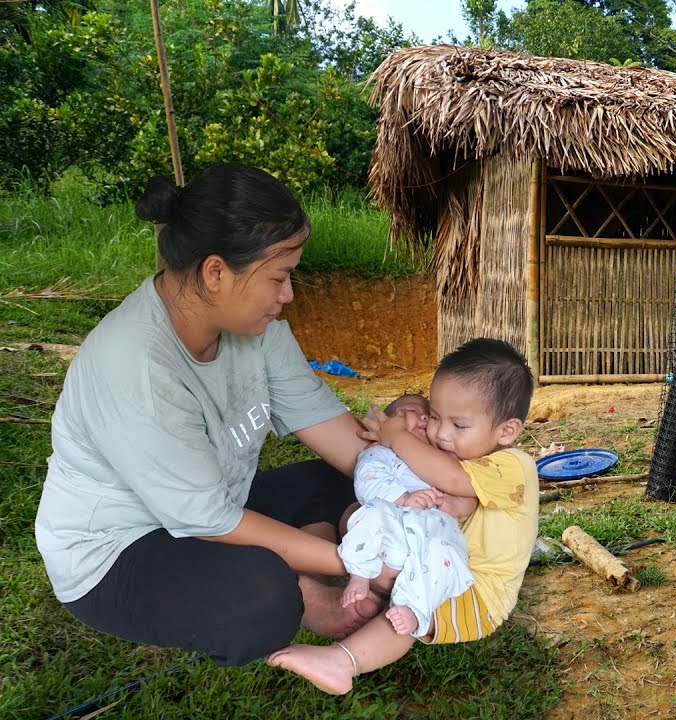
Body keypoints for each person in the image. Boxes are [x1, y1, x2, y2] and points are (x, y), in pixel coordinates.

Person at [34, 163, 374, 668]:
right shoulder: (136, 364)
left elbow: (330, 429)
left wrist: (420, 483)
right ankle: (303, 589)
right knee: (261, 599)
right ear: (216, 273)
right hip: (119, 549)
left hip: (214, 504)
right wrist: (361, 559)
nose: (288, 295)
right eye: (279, 277)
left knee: (360, 480)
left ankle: (308, 578)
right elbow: (209, 521)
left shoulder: (258, 328)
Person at [268, 337, 540, 695]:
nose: (441, 434)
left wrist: (397, 437)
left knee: (405, 616)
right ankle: (332, 593)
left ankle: (343, 660)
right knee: (365, 520)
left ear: (507, 430)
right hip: (448, 566)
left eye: (458, 425)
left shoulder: (513, 466)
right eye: (436, 417)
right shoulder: (472, 458)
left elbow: (450, 480)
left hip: (477, 594)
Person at [339, 393, 475, 638]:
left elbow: (469, 493)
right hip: (392, 530)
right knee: (370, 514)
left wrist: (455, 504)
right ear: (386, 426)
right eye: (410, 410)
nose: (424, 416)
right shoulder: (379, 453)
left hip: (432, 533)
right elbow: (369, 482)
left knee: (445, 554)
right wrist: (402, 499)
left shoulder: (442, 459)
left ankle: (414, 610)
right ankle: (360, 573)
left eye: (431, 415)